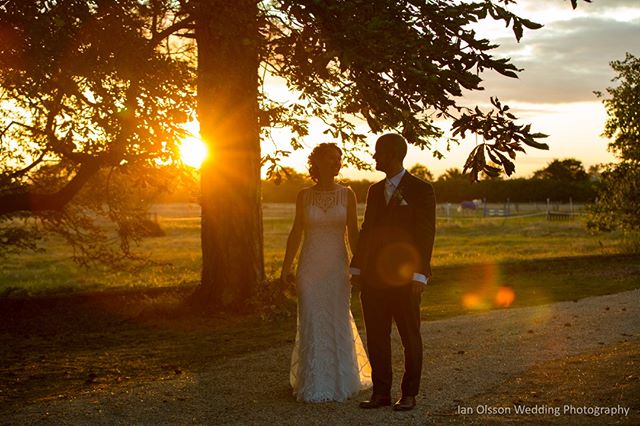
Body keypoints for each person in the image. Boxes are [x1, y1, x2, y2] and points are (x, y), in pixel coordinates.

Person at [350, 133, 436, 411]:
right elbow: (367, 230)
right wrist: (356, 266)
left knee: (410, 335)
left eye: (379, 153)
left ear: (392, 154)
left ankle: (409, 393)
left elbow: (425, 234)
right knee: (376, 336)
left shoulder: (421, 190)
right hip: (373, 278)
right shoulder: (374, 191)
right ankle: (381, 393)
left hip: (406, 277)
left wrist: (420, 274)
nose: (374, 157)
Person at [281, 143, 372, 402]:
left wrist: (359, 266)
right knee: (311, 317)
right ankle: (312, 380)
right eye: (331, 158)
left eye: (338, 159)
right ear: (317, 162)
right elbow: (296, 232)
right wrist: (285, 270)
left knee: (337, 317)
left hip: (336, 267)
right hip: (309, 267)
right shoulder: (303, 195)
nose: (336, 163)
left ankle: (342, 380)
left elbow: (353, 233)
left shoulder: (348, 194)